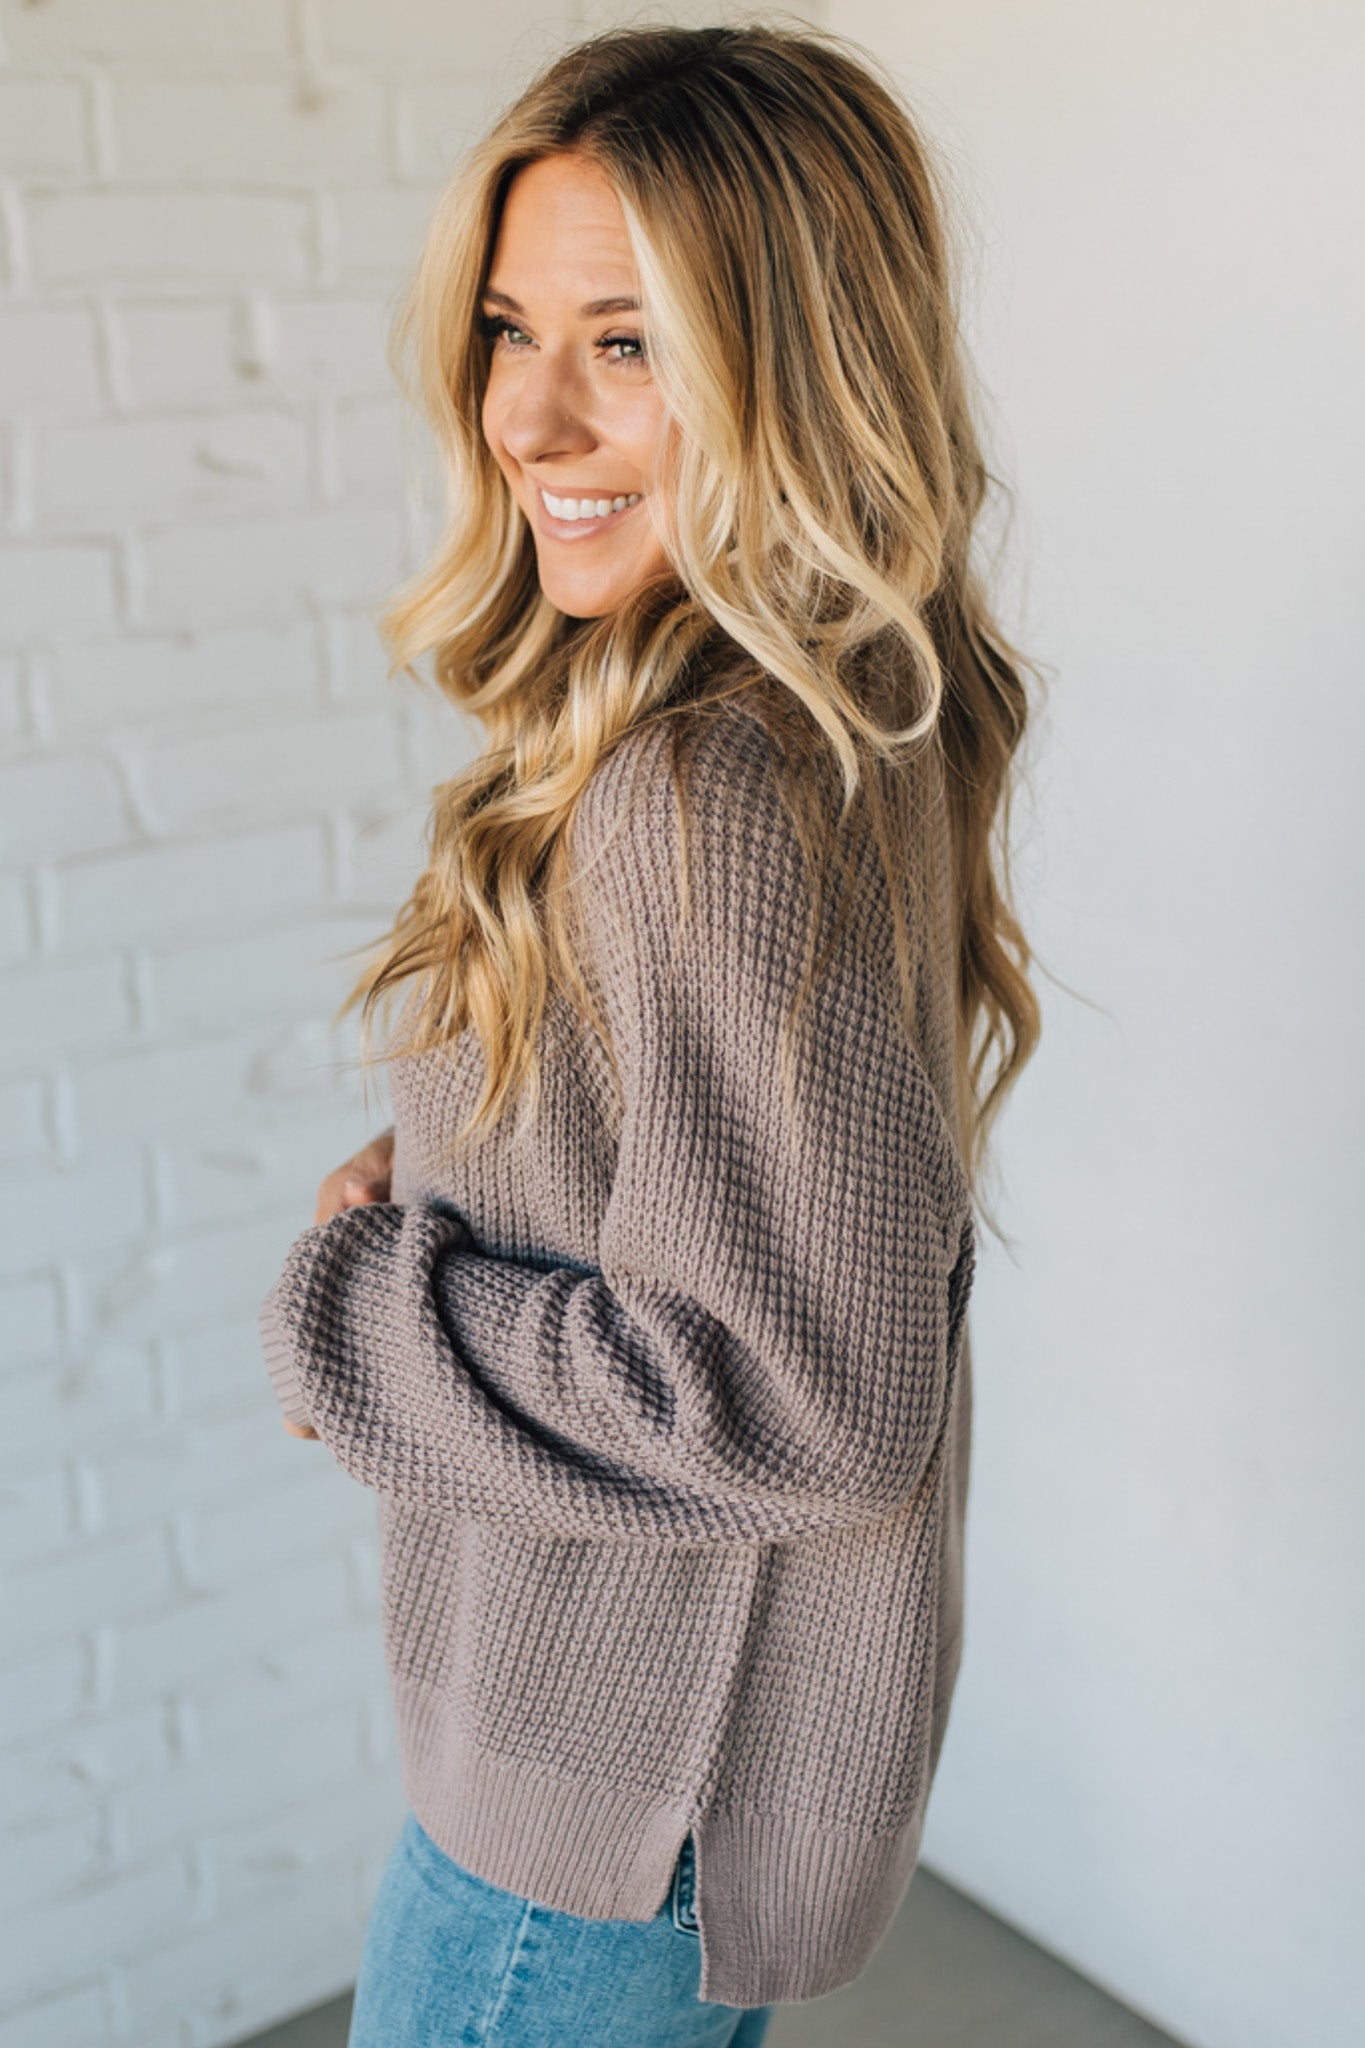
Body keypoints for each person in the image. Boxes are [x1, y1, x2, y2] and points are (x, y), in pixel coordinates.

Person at [258, 20, 1043, 2047]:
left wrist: (356, 1310)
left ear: (799, 361)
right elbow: (725, 1186)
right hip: (665, 1799)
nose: (525, 415)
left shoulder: (695, 786)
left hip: (586, 1824)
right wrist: (444, 1171)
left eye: (625, 343)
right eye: (511, 329)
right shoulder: (852, 699)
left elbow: (794, 1387)